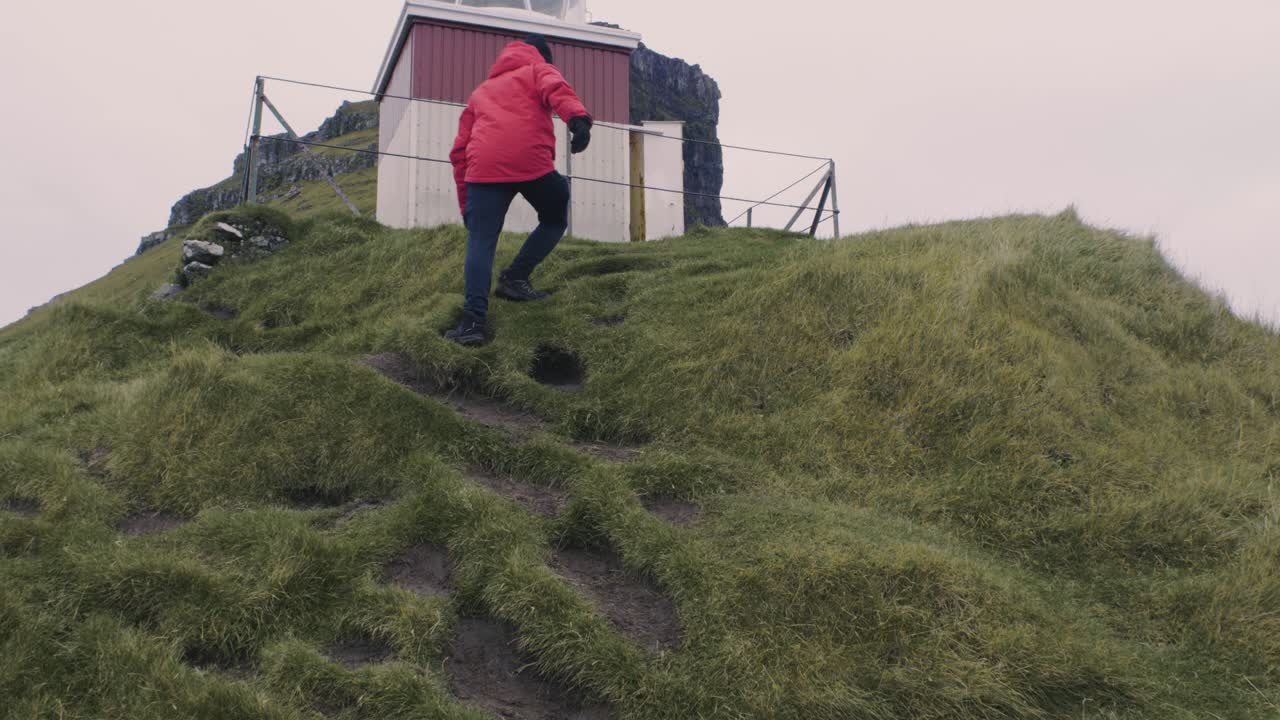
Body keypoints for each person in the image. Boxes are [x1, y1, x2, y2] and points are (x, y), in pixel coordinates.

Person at [445, 34, 594, 346]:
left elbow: (459, 152)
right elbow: (558, 89)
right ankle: (514, 278)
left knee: (481, 240)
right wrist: (578, 121)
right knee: (555, 216)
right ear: (541, 56)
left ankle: (472, 322)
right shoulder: (538, 69)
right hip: (530, 162)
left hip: (482, 169)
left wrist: (466, 207)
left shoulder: (480, 93)